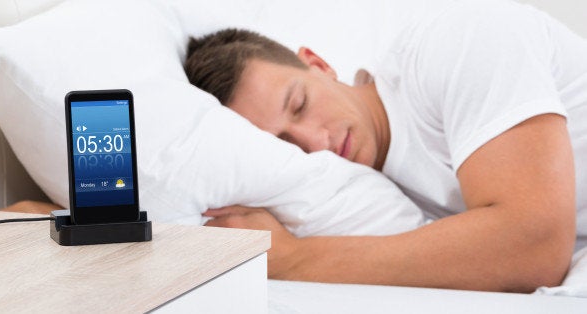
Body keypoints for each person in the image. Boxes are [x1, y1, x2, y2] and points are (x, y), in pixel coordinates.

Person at [184, 0, 587, 293]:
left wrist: (292, 259)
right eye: (285, 145)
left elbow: (534, 246)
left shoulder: (460, 39)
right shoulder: (362, 188)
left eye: (300, 104)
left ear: (319, 64)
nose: (316, 142)